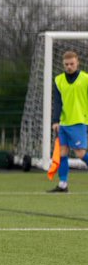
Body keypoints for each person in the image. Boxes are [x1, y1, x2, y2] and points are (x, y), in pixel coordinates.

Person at [50, 50, 88, 193]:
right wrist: (55, 120)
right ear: (63, 64)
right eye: (66, 64)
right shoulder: (58, 80)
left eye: (72, 64)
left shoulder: (85, 79)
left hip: (80, 121)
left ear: (78, 62)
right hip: (64, 123)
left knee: (80, 154)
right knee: (62, 153)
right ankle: (63, 184)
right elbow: (57, 102)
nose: (69, 66)